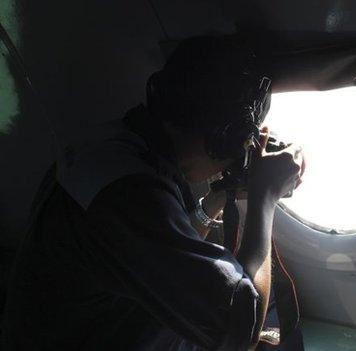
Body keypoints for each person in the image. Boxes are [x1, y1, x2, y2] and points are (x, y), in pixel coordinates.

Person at [1, 36, 304, 350]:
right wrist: (263, 197)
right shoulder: (131, 198)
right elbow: (241, 327)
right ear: (223, 138)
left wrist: (213, 202)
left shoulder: (117, 147)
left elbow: (158, 250)